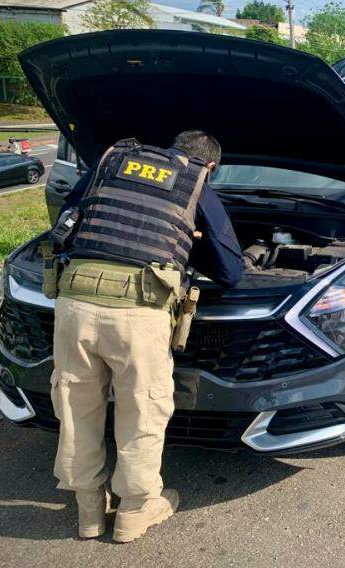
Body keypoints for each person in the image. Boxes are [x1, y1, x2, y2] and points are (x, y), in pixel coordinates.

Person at [46, 131, 243, 542]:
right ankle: (135, 511)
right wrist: (189, 244)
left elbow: (66, 221)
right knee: (141, 411)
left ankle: (89, 511)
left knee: (76, 406)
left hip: (73, 302)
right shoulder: (195, 181)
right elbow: (230, 271)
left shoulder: (111, 161)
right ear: (210, 166)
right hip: (138, 313)